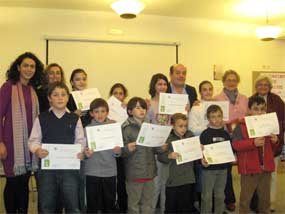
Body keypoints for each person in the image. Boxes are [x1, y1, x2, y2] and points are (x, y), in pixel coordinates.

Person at [28, 82, 86, 213]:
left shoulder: (74, 118)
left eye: (63, 95)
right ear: (49, 98)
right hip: (47, 170)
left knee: (72, 204)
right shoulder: (41, 118)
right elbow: (33, 140)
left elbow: (80, 140)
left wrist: (81, 152)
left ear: (68, 98)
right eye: (55, 95)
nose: (60, 98)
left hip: (69, 170)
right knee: (46, 205)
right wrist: (37, 150)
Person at [0, 52, 44, 213]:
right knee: (12, 182)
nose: (29, 69)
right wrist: (0, 142)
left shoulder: (32, 89)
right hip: (11, 144)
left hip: (29, 143)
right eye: (25, 65)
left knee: (24, 181)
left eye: (32, 66)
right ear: (18, 67)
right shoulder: (8, 87)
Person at [232, 96, 279, 213]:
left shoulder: (269, 125)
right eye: (256, 109)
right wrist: (253, 143)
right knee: (246, 199)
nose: (259, 112)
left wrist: (275, 141)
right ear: (249, 110)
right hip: (250, 168)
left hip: (266, 167)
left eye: (263, 109)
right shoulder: (241, 126)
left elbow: (272, 149)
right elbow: (236, 145)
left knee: (265, 198)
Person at [121, 97, 165, 214]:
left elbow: (154, 149)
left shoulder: (149, 125)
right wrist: (127, 149)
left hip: (149, 172)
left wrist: (161, 148)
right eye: (138, 108)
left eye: (144, 108)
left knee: (148, 203)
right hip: (135, 173)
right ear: (130, 111)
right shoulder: (126, 128)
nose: (142, 110)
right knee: (134, 205)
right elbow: (120, 151)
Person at [215, 69, 248, 211]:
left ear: (238, 82)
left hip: (242, 137)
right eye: (228, 80)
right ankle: (229, 199)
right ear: (223, 81)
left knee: (247, 167)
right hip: (224, 137)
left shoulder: (245, 98)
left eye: (234, 80)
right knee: (227, 170)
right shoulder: (217, 98)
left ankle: (249, 199)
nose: (231, 82)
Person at [251, 75, 285, 212]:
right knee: (255, 175)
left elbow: (283, 120)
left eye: (266, 85)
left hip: (272, 144)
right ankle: (256, 202)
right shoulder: (250, 100)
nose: (263, 87)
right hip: (256, 146)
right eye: (260, 84)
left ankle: (270, 203)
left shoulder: (276, 100)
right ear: (256, 86)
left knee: (272, 175)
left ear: (270, 87)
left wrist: (277, 134)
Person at [84, 98, 121, 213]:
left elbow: (119, 152)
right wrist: (86, 153)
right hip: (92, 171)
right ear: (91, 113)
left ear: (107, 112)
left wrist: (117, 151)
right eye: (96, 111)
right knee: (92, 204)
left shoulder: (114, 127)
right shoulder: (87, 129)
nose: (100, 114)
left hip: (109, 171)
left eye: (103, 111)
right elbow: (83, 151)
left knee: (109, 204)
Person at [158, 113, 196, 213]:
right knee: (171, 207)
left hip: (188, 178)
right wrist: (169, 156)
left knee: (186, 206)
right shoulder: (168, 139)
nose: (183, 129)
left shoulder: (190, 135)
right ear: (172, 126)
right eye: (180, 126)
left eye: (185, 126)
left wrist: (199, 149)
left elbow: (196, 154)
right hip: (172, 180)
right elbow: (160, 157)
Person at [200, 105, 231, 214]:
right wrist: (202, 160)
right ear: (208, 119)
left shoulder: (226, 134)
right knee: (206, 196)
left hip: (223, 169)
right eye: (213, 117)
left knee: (220, 195)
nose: (216, 119)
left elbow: (229, 150)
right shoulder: (204, 134)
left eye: (219, 116)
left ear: (222, 116)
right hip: (209, 170)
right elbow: (201, 152)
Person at [188, 80, 214, 209]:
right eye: (204, 89)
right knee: (201, 176)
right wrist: (208, 126)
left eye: (210, 89)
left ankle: (213, 204)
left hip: (216, 145)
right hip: (202, 146)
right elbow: (192, 128)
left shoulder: (218, 106)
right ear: (200, 92)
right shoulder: (196, 107)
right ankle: (200, 204)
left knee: (215, 176)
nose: (208, 92)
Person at [147, 73, 170, 213]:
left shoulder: (171, 102)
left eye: (165, 84)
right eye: (159, 84)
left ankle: (163, 210)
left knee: (165, 184)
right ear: (154, 86)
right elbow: (147, 126)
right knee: (155, 184)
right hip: (155, 149)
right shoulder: (149, 104)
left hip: (169, 147)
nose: (162, 87)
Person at [109, 83, 128, 213]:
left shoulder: (128, 109)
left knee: (122, 179)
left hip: (124, 149)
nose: (118, 96)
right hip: (110, 150)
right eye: (115, 93)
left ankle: (122, 206)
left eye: (120, 93)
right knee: (112, 179)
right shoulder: (106, 110)